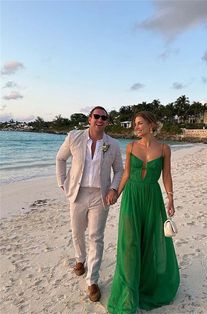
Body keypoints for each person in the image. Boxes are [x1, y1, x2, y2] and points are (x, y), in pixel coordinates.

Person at [107, 111, 180, 313]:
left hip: (152, 199)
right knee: (129, 243)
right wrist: (116, 194)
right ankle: (129, 293)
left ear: (151, 125)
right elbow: (127, 174)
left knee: (151, 241)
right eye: (135, 124)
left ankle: (147, 286)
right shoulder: (130, 147)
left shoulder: (165, 149)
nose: (136, 127)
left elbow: (166, 175)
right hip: (132, 198)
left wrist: (171, 197)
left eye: (140, 123)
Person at [56, 106, 123, 302]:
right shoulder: (74, 137)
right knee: (77, 231)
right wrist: (62, 182)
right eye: (96, 116)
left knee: (96, 237)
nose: (100, 120)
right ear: (90, 118)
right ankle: (80, 260)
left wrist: (113, 189)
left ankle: (92, 280)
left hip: (100, 196)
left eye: (104, 117)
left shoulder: (113, 144)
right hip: (77, 193)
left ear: (107, 121)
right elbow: (60, 158)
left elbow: (119, 170)